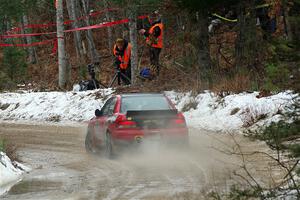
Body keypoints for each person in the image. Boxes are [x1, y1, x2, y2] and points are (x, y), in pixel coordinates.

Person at [139, 10, 163, 77]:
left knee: (155, 63)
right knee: (153, 62)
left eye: (150, 19)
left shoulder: (157, 27)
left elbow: (153, 38)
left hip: (156, 47)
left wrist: (145, 32)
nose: (149, 20)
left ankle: (156, 77)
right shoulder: (155, 26)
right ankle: (154, 76)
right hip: (154, 47)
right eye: (149, 19)